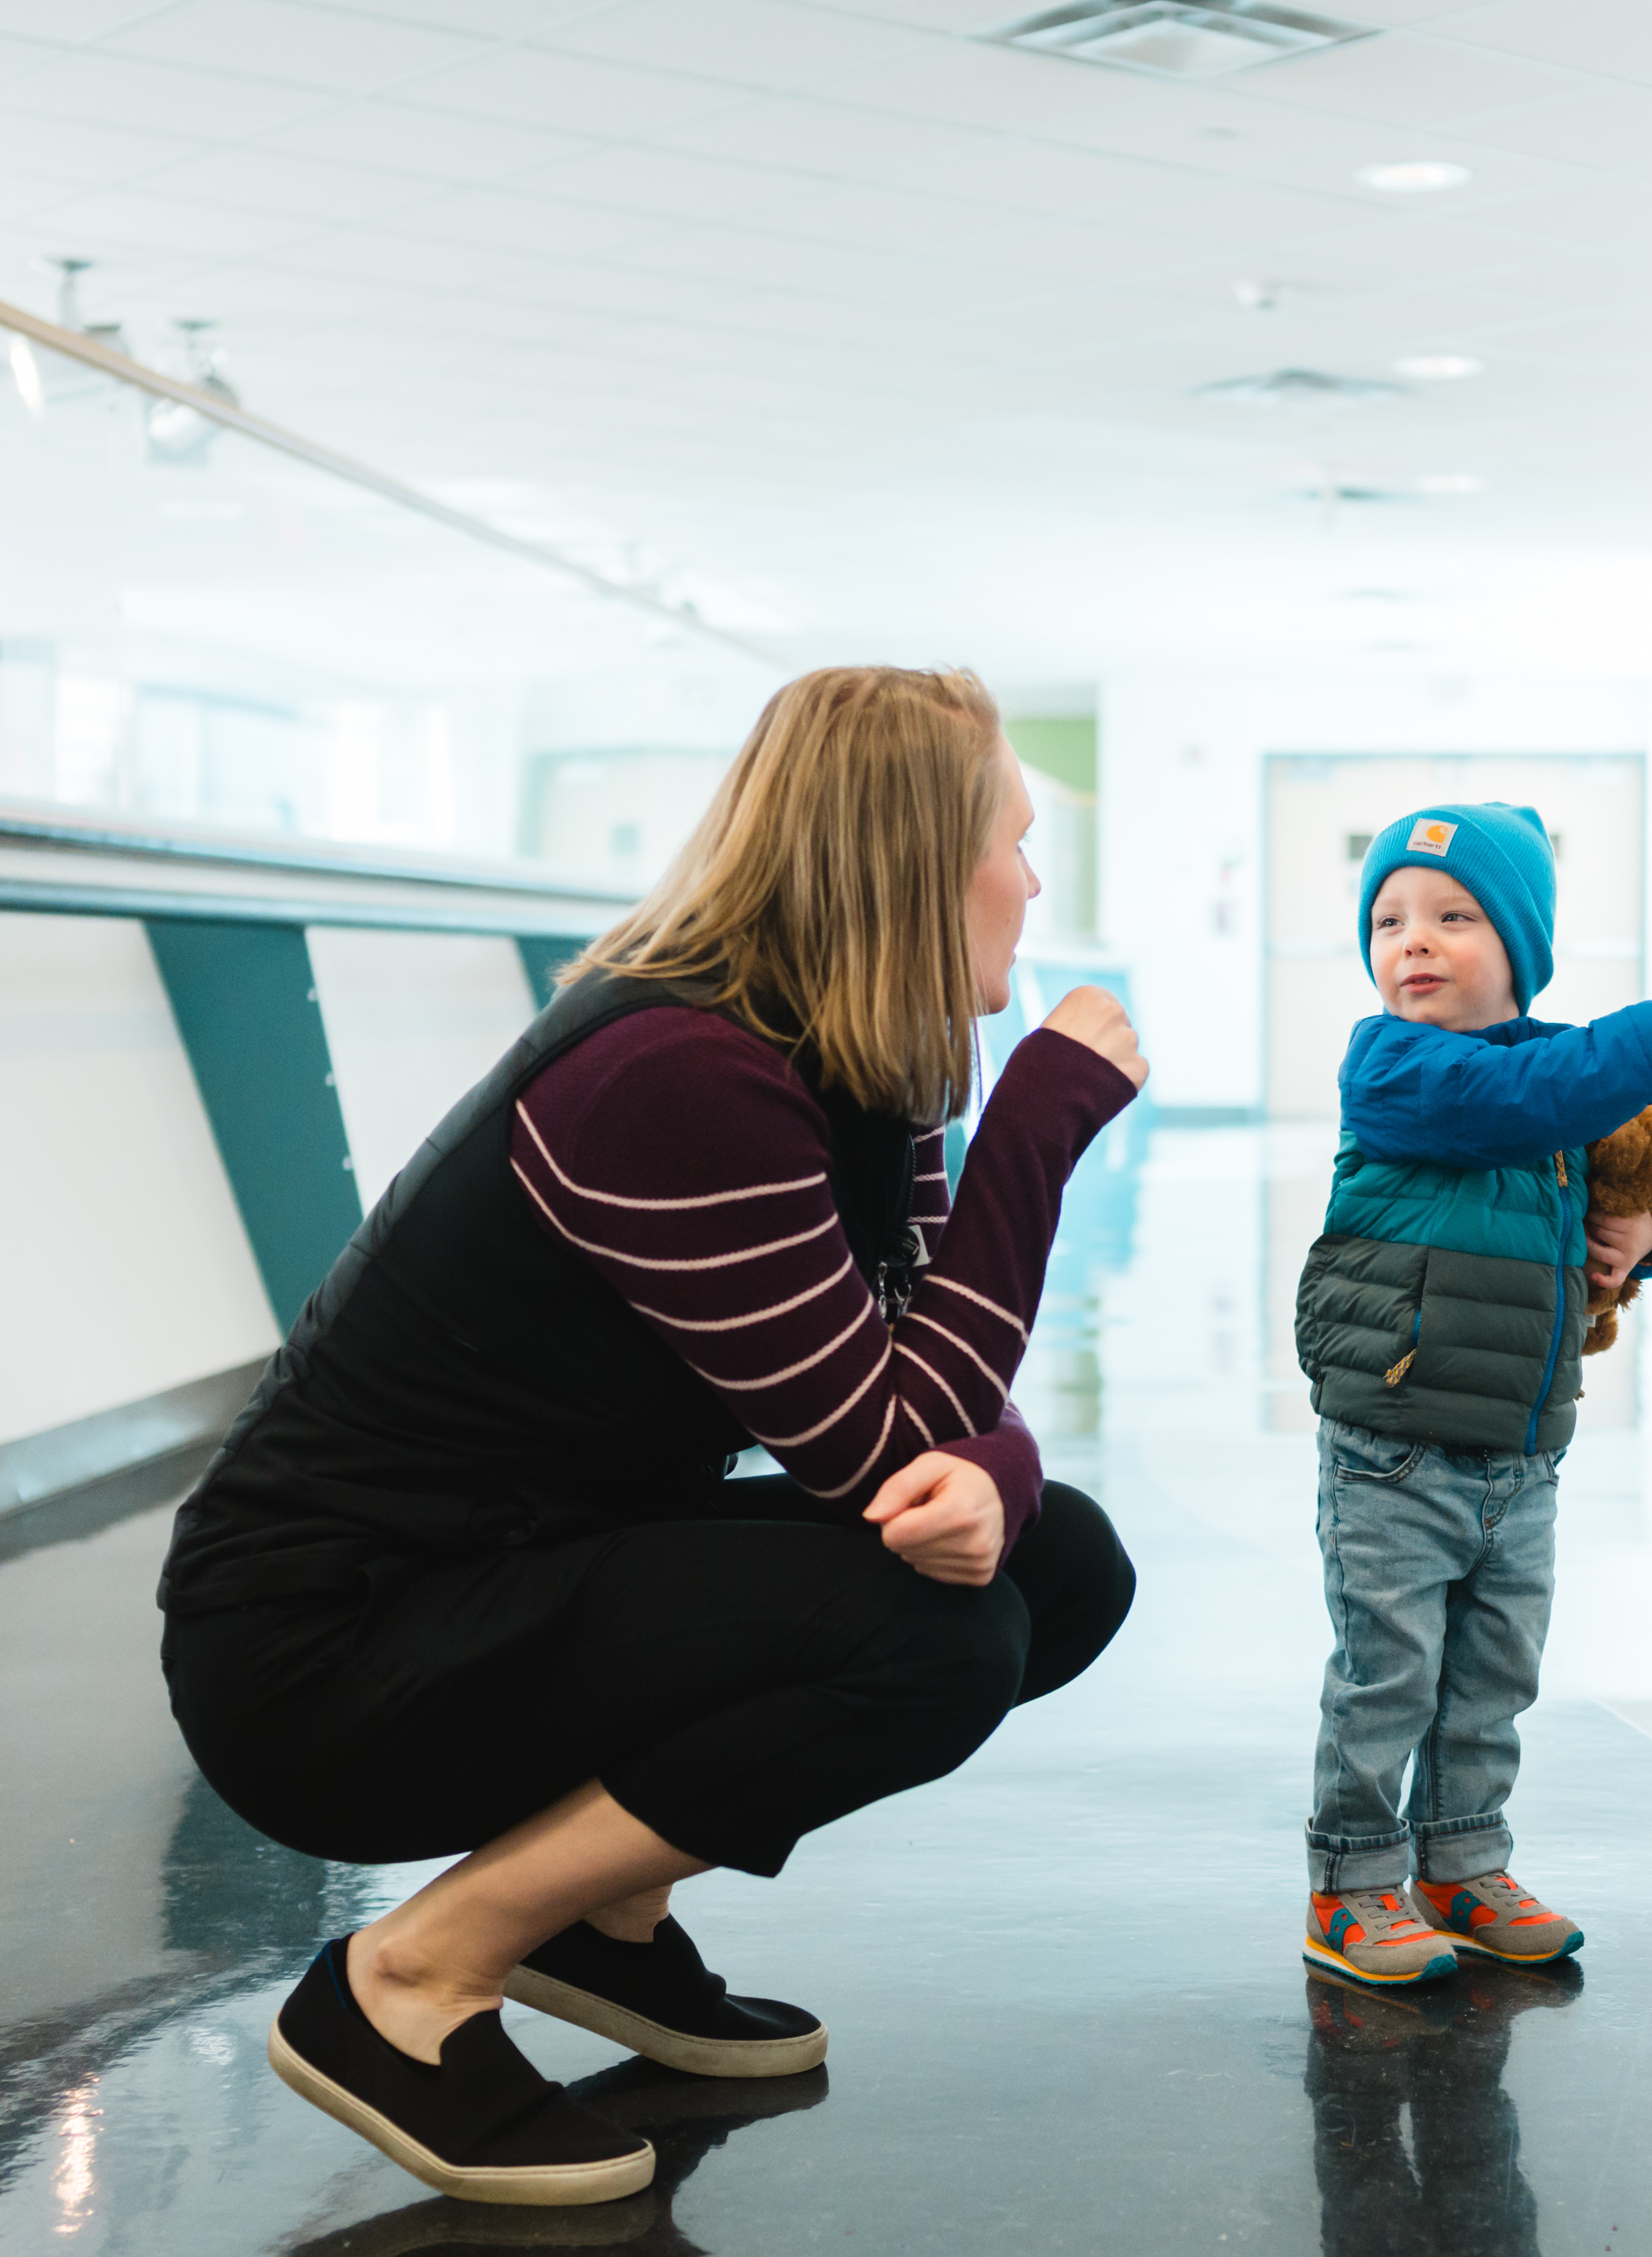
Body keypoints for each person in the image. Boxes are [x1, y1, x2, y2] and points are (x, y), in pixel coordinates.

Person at [156, 667, 1146, 2205]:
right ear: (910, 862)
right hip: (326, 1649)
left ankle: (595, 1923)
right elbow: (884, 1443)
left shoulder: (859, 1067)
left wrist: (999, 1477)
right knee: (929, 1643)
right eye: (1013, 842)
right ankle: (411, 1980)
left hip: (522, 1569)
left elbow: (945, 1387)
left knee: (1060, 1563)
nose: (1030, 882)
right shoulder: (677, 1079)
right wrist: (1042, 1127)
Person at [1290, 804, 1652, 1986]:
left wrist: (1647, 1232)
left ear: (1521, 945)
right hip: (1396, 1444)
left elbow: (1613, 1169)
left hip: (1519, 1454)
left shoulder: (1558, 1080)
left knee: (1492, 1674)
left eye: (1454, 918)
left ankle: (1463, 1863)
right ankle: (1353, 1884)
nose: (1412, 941)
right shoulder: (1399, 1064)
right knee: (1388, 1674)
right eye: (1389, 919)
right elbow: (1520, 1107)